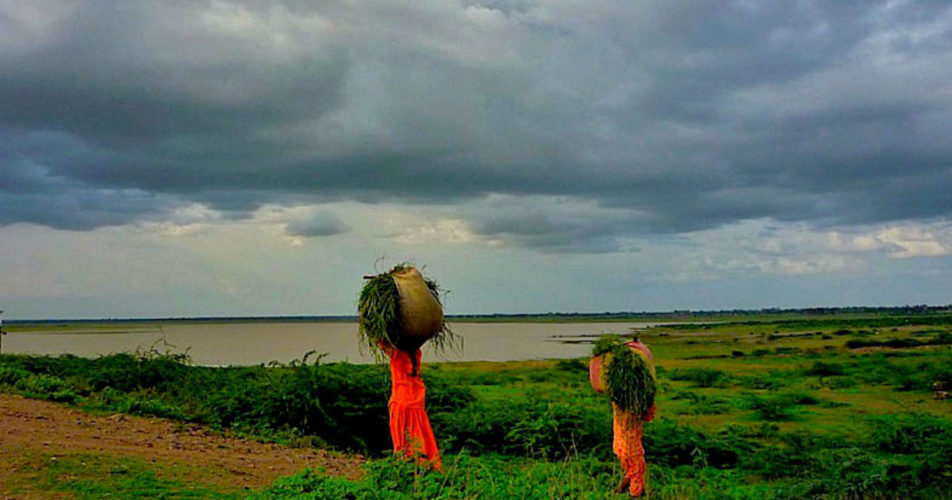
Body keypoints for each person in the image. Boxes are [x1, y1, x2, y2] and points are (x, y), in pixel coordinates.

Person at [380, 341, 442, 470]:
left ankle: (407, 466)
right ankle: (424, 464)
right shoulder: (416, 352)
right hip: (416, 398)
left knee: (402, 440)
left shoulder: (396, 353)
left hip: (401, 400)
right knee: (420, 434)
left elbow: (381, 343)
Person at [611, 337, 657, 497]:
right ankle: (634, 494)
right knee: (637, 468)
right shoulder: (636, 403)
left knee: (632, 467)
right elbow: (648, 415)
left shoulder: (617, 400)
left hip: (620, 442)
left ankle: (624, 489)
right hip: (631, 444)